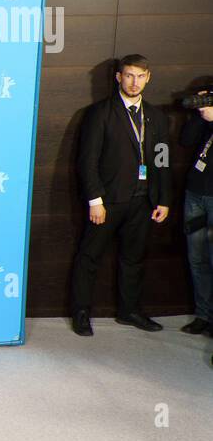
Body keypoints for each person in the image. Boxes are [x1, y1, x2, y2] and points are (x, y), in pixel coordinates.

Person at [69, 55, 171, 336]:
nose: (134, 82)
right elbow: (87, 161)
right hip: (108, 202)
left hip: (143, 201)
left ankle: (130, 311)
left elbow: (162, 159)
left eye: (140, 76)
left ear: (148, 77)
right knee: (89, 257)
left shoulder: (157, 116)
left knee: (133, 259)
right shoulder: (100, 113)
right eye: (129, 75)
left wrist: (163, 198)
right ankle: (80, 312)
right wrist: (95, 200)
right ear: (118, 77)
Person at [177, 87, 213, 335]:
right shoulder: (204, 120)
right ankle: (204, 315)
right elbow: (186, 140)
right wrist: (198, 115)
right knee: (197, 259)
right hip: (195, 194)